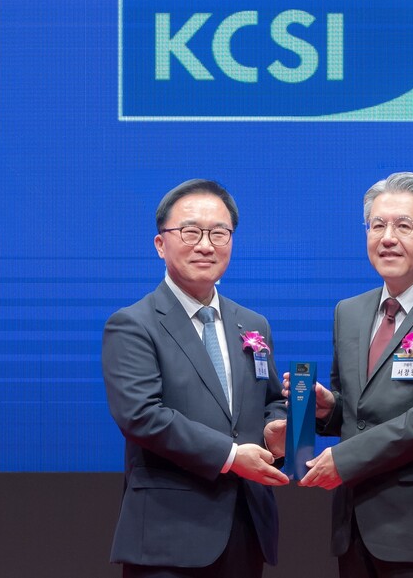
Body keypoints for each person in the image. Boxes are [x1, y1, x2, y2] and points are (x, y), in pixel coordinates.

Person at [297, 172, 413, 578]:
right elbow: (357, 410)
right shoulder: (348, 312)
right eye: (377, 225)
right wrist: (328, 409)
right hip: (353, 530)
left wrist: (346, 459)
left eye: (403, 225)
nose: (387, 238)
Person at [102, 179, 288, 578]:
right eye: (190, 232)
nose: (206, 245)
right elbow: (141, 416)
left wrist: (276, 428)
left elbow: (271, 398)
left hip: (246, 527)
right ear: (160, 244)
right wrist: (232, 456)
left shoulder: (253, 324)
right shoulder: (133, 324)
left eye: (219, 233)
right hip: (169, 535)